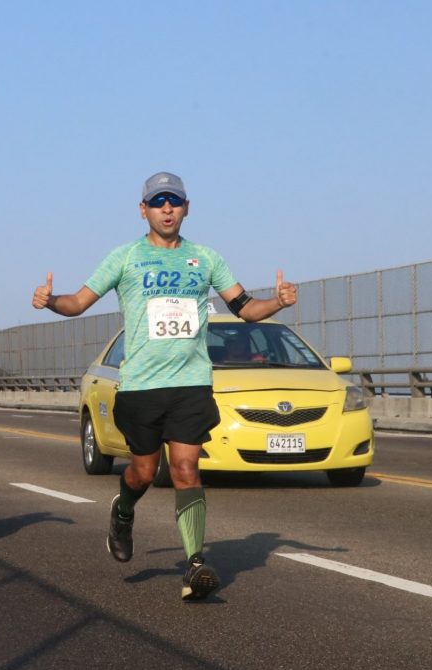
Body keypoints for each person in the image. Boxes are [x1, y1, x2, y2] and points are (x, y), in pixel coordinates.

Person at [31, 171, 297, 600]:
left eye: (174, 200)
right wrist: (52, 301)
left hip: (191, 381)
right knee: (141, 471)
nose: (167, 208)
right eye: (158, 202)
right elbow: (79, 303)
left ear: (187, 208)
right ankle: (122, 511)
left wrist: (278, 303)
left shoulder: (206, 258)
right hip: (140, 387)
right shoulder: (125, 257)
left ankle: (194, 564)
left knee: (186, 469)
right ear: (144, 211)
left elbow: (245, 308)